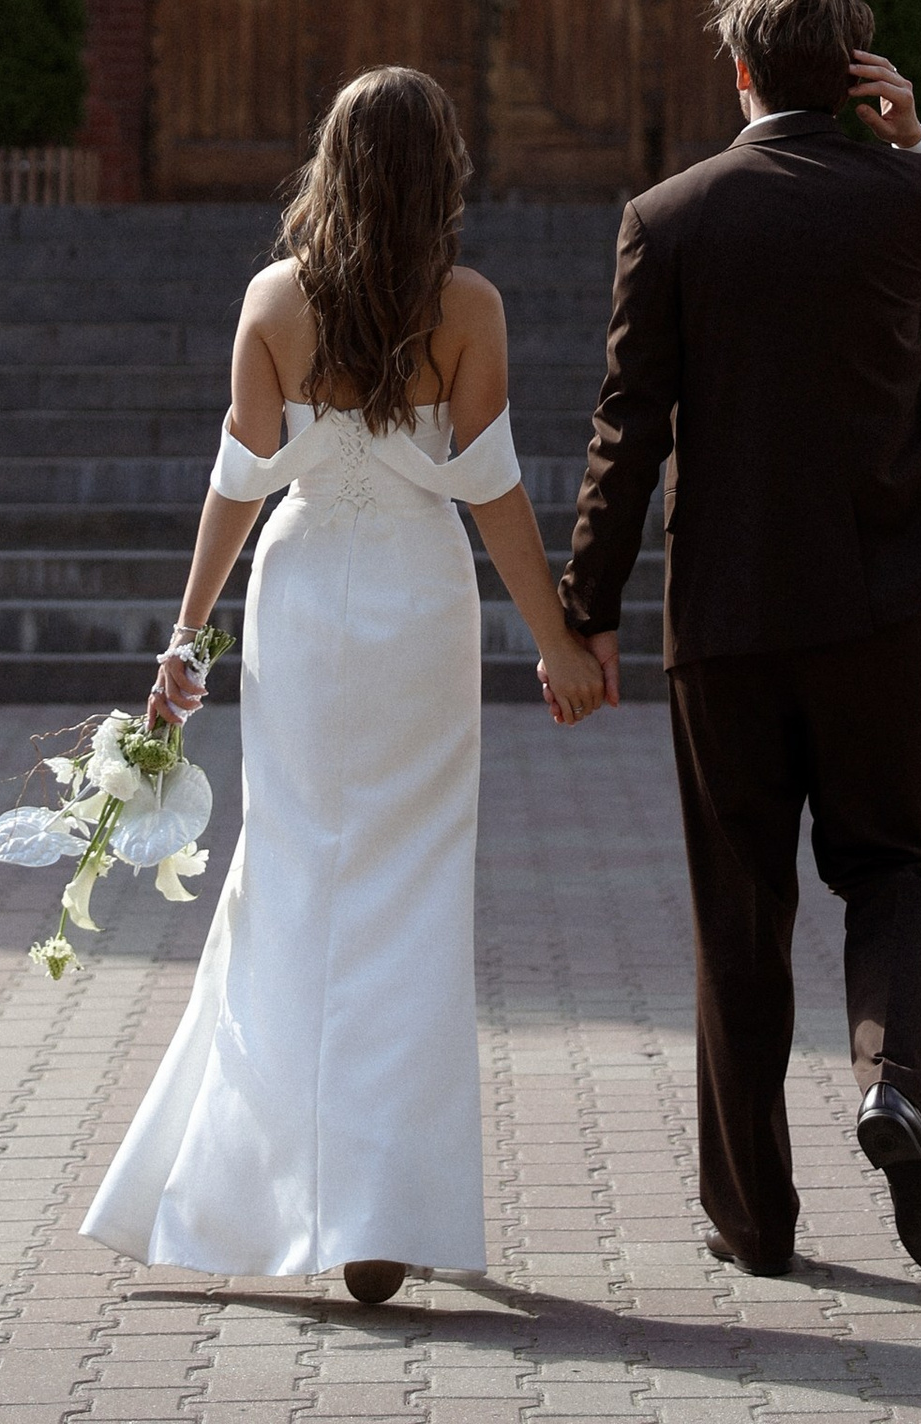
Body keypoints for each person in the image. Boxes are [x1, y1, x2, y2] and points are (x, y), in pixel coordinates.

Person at [82, 64, 606, 1297]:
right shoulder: (469, 306)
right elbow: (494, 496)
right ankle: (377, 1213)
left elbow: (237, 484)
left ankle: (269, 1192)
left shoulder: (273, 301)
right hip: (420, 614)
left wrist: (183, 639)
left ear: (330, 164)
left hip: (305, 604)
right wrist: (560, 646)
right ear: (442, 176)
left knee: (292, 879)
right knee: (413, 894)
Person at [558, 0, 921, 1285]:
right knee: (897, 864)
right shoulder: (908, 196)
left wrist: (585, 604)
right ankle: (891, 1083)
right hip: (882, 605)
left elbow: (626, 431)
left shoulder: (672, 215)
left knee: (738, 915)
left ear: (744, 70)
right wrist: (917, 135)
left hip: (731, 616)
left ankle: (755, 1223)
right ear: (851, 73)